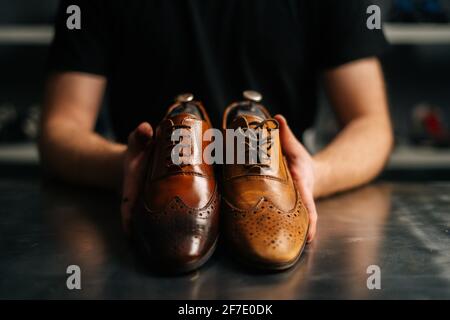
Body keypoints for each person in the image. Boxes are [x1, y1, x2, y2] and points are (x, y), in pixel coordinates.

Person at [38, 0, 394, 243]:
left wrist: (314, 175)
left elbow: (371, 123)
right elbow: (60, 128)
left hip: (276, 187)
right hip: (153, 187)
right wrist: (127, 166)